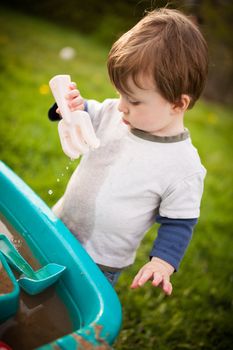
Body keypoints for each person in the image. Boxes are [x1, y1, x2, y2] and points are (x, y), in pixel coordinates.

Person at [48, 8, 208, 295]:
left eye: (133, 100)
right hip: (59, 225)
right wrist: (72, 107)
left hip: (100, 262)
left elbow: (179, 222)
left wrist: (162, 262)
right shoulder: (114, 112)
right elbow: (86, 116)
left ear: (177, 104)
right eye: (120, 94)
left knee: (70, 309)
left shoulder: (183, 167)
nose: (121, 105)